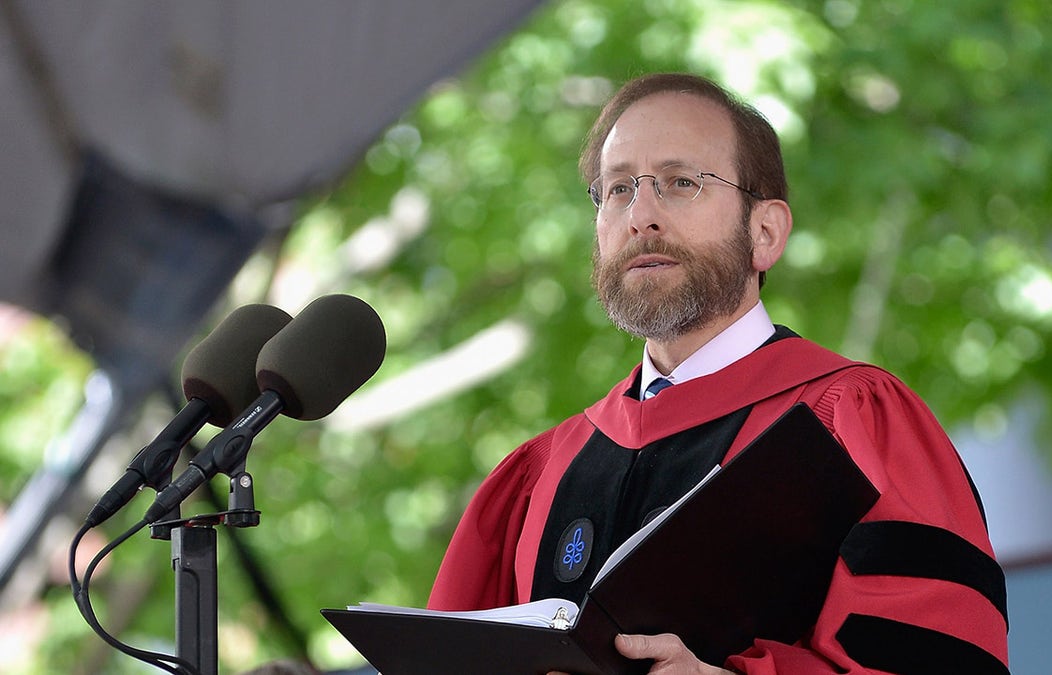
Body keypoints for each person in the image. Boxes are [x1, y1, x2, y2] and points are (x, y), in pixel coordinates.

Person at [426, 72, 1009, 674]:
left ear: (765, 233)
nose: (640, 215)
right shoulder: (542, 473)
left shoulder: (852, 421)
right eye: (618, 189)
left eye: (681, 183)